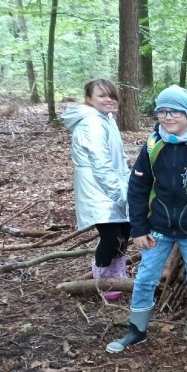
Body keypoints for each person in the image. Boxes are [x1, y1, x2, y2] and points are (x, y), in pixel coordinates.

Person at [106, 85, 187, 354]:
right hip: (158, 228)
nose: (167, 116)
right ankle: (137, 329)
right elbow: (137, 190)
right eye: (161, 111)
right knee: (146, 276)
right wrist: (138, 227)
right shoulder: (153, 146)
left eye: (174, 111)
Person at [62, 79, 131, 301]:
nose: (109, 99)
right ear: (89, 99)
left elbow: (118, 157)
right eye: (102, 95)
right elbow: (100, 164)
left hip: (112, 184)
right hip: (98, 188)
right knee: (111, 237)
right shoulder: (91, 123)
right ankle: (102, 279)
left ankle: (117, 274)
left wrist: (127, 184)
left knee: (125, 231)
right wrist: (120, 196)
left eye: (111, 95)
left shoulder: (106, 119)